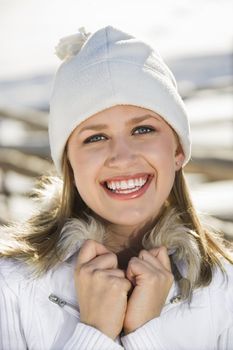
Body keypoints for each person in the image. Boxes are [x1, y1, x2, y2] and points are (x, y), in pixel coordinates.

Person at [0, 25, 233, 350]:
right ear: (68, 164)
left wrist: (144, 334)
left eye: (143, 129)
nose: (122, 158)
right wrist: (94, 332)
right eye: (95, 137)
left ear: (178, 150)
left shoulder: (224, 290)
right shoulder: (10, 288)